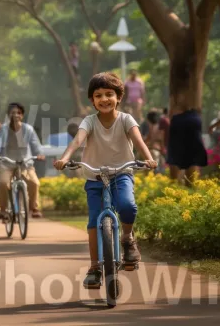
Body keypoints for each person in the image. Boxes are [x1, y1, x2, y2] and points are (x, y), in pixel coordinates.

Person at [54, 72, 157, 289]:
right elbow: (77, 141)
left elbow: (138, 141)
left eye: (109, 94)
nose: (104, 99)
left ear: (119, 97)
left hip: (122, 173)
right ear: (92, 100)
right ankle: (94, 267)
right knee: (93, 221)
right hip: (94, 177)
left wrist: (148, 158)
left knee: (127, 206)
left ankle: (127, 239)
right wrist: (65, 158)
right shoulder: (89, 121)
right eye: (98, 95)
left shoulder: (127, 119)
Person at [0, 102, 45, 219]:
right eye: (12, 113)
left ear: (22, 115)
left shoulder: (28, 129)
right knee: (3, 183)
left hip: (25, 163)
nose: (15, 115)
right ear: (8, 115)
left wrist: (39, 154)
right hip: (5, 163)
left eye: (18, 113)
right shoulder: (2, 130)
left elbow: (35, 144)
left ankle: (34, 208)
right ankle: (3, 210)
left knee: (34, 183)